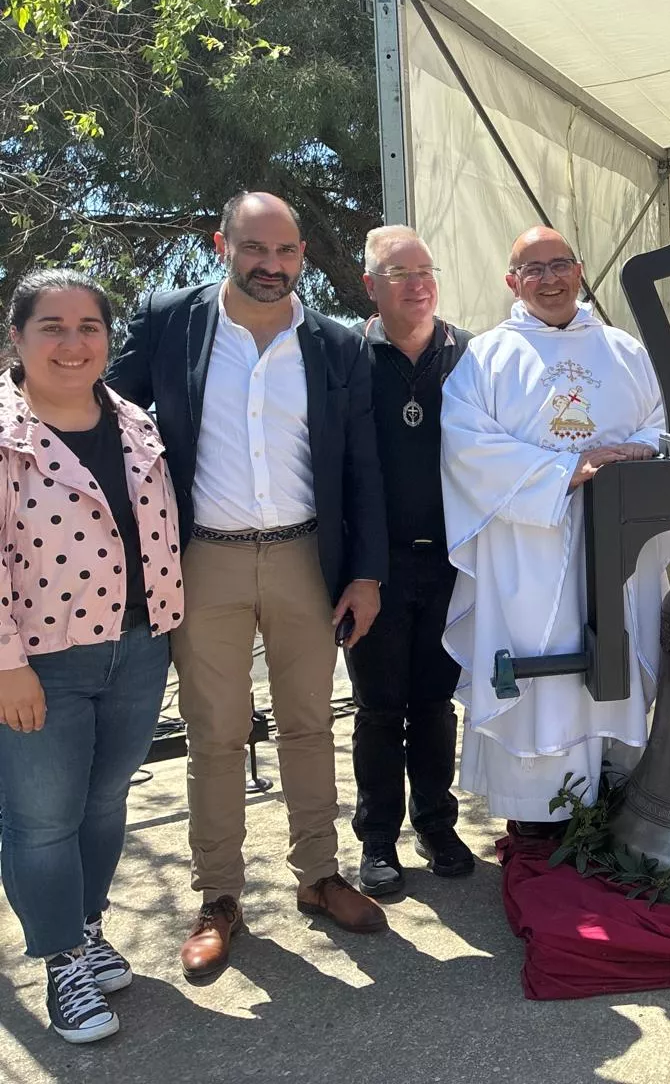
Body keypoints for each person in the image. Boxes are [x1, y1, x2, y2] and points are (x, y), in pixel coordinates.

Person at [107, 191, 389, 981]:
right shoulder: (171, 318)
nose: (272, 266)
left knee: (308, 723)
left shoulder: (334, 343)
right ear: (220, 243)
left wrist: (366, 573)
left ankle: (319, 876)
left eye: (287, 252)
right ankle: (221, 898)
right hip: (205, 559)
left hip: (308, 558)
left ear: (302, 255)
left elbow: (360, 465)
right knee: (216, 733)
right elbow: (106, 414)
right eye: (255, 249)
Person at [440, 226, 670, 829]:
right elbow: (466, 445)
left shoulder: (624, 349)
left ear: (579, 270)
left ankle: (622, 793)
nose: (548, 280)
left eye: (559, 265)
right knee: (539, 662)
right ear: (511, 282)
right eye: (533, 269)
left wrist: (636, 456)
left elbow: (664, 423)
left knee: (619, 648)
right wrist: (567, 469)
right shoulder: (486, 356)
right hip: (530, 544)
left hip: (618, 538)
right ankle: (542, 814)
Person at [0, 269, 184, 1043]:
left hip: (140, 646)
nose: (73, 343)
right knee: (43, 821)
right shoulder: (5, 434)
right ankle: (61, 960)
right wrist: (6, 665)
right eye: (53, 326)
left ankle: (85, 923)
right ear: (17, 337)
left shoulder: (135, 421)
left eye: (89, 327)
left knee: (106, 802)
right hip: (41, 661)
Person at [349, 226, 474, 897]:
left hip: (453, 562)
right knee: (377, 708)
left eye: (426, 269)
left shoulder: (471, 356)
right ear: (372, 286)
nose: (418, 283)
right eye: (400, 273)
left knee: (434, 704)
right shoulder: (347, 357)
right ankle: (377, 839)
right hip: (376, 571)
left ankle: (436, 824)